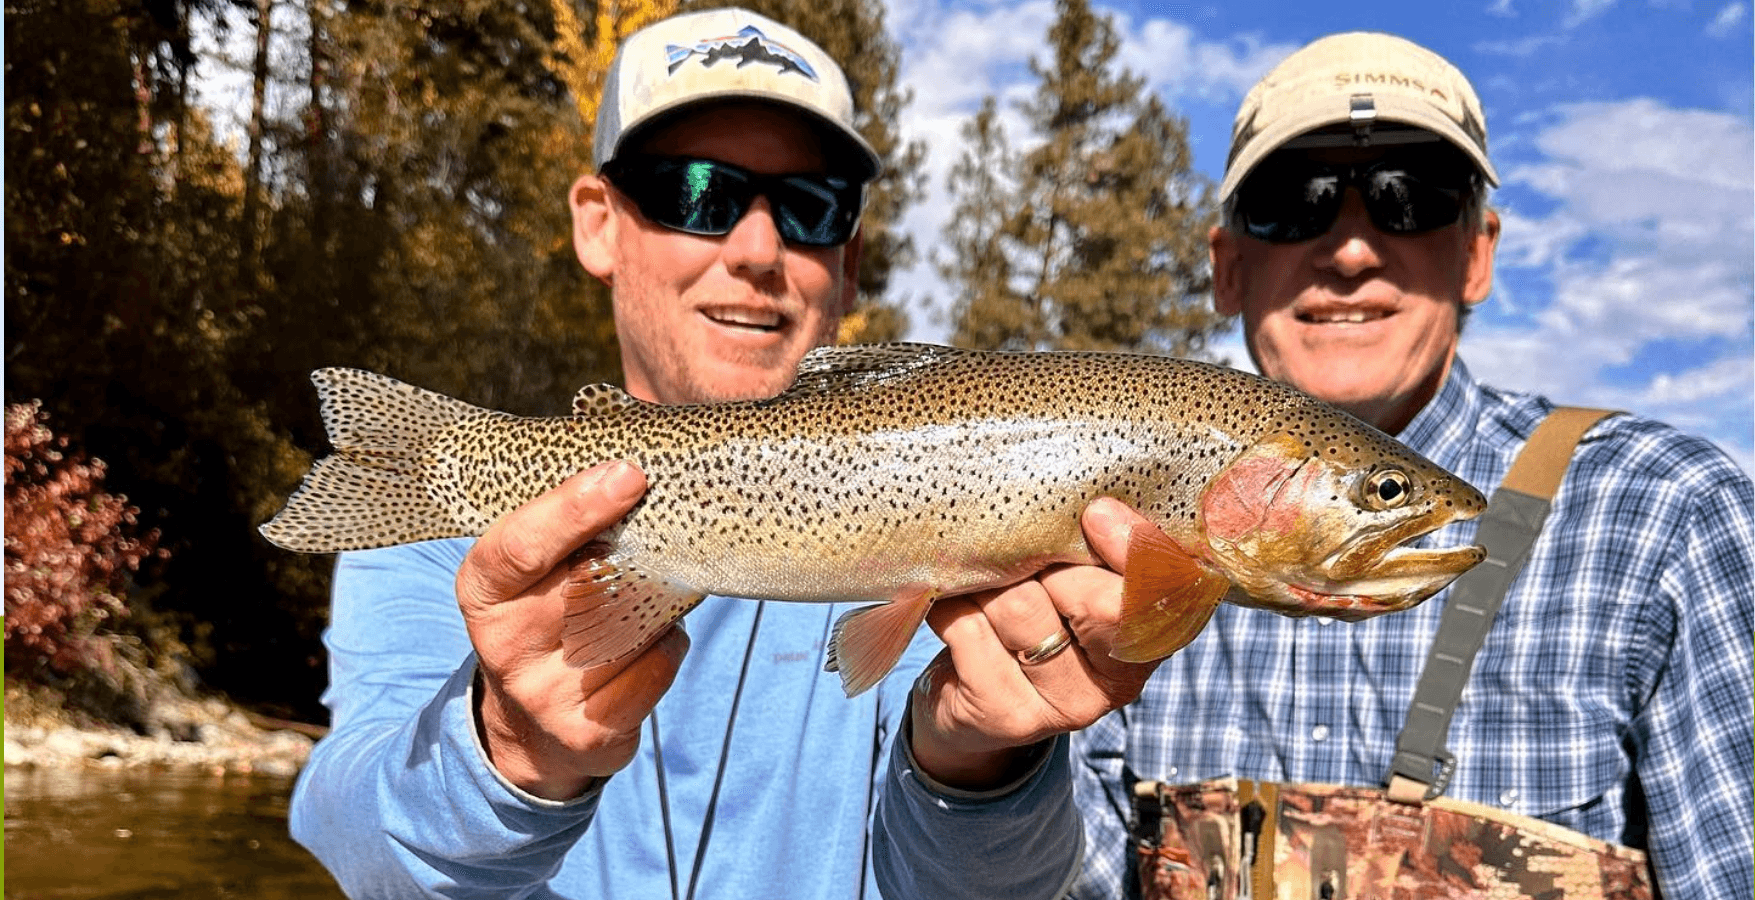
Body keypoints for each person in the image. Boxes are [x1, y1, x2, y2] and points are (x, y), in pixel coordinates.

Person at [288, 8, 1156, 898]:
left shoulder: (942, 512)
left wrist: (979, 767)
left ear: (848, 262)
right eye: (695, 193)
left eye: (810, 209)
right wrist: (505, 753)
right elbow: (353, 844)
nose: (756, 249)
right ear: (597, 224)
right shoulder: (456, 512)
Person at [870, 31, 1753, 899]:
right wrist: (980, 769)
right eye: (1296, 200)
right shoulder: (1102, 518)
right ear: (1226, 267)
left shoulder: (1671, 513)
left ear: (1477, 252)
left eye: (1409, 197)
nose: (1351, 249)